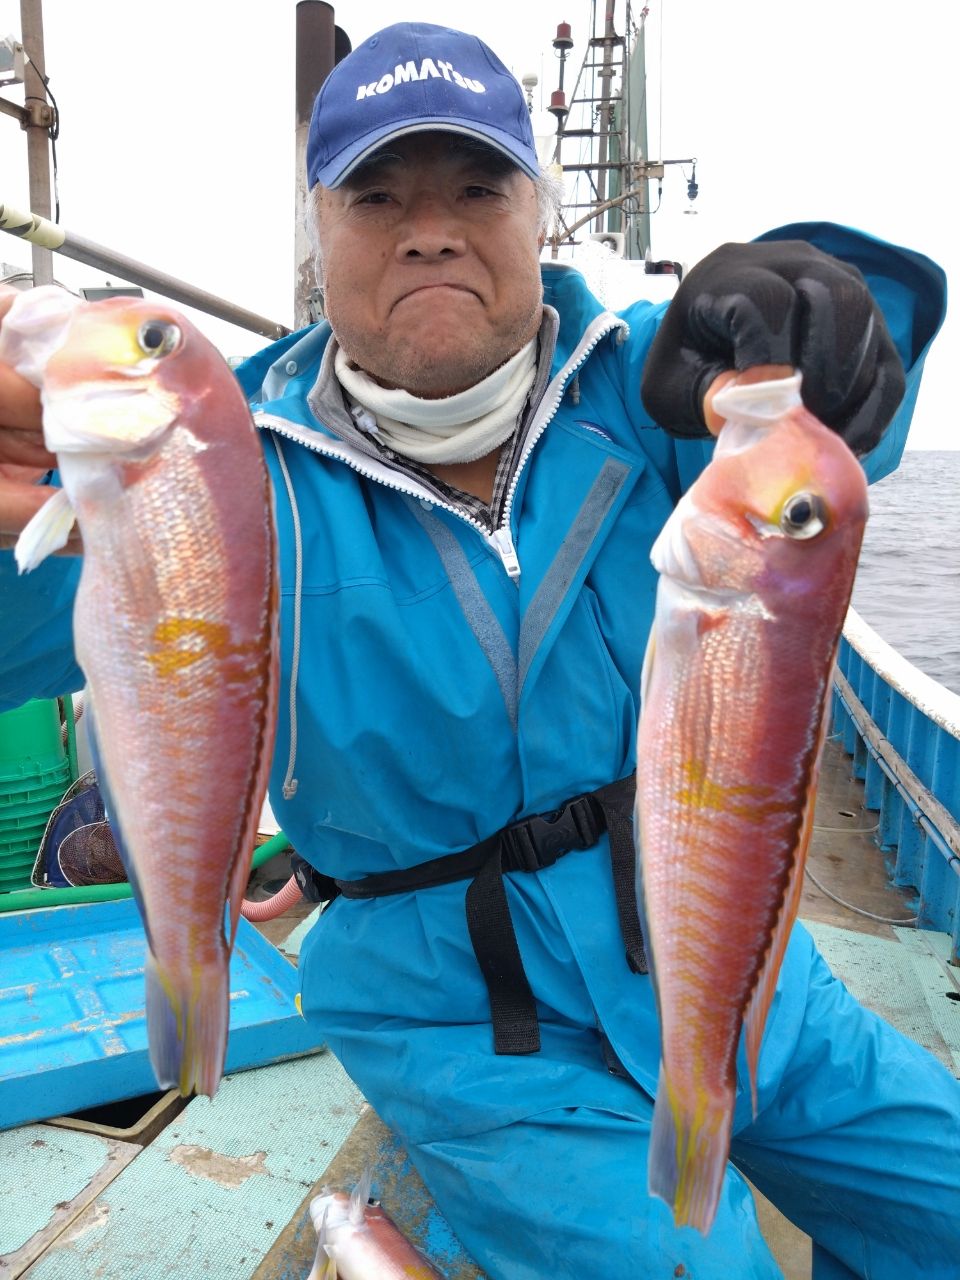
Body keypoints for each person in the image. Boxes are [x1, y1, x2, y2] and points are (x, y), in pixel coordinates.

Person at [1, 21, 957, 1280]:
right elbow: (36, 637)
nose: (429, 227)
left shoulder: (659, 394)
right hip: (460, 1014)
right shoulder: (219, 461)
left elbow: (829, 453)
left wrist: (821, 299)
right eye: (378, 195)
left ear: (535, 217)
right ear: (319, 239)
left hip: (723, 945)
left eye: (475, 186)